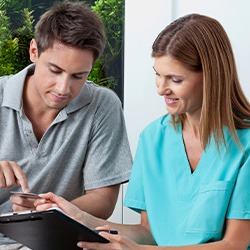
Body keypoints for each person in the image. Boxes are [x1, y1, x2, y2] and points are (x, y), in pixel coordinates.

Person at [35, 13, 250, 249]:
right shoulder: (153, 138)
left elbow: (235, 244)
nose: (161, 89)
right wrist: (80, 218)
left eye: (175, 79)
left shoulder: (245, 146)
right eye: (157, 75)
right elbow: (148, 232)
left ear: (211, 76)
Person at [0, 1, 132, 248]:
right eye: (55, 70)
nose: (63, 89)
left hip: (58, 242)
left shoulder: (103, 106)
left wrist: (52, 209)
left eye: (78, 76)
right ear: (34, 51)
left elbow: (103, 199)